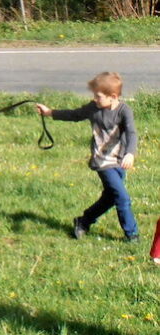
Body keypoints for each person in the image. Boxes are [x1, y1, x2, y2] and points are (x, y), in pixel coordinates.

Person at [36, 72, 139, 242]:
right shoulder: (93, 108)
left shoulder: (124, 111)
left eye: (98, 96)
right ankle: (132, 234)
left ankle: (83, 221)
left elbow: (132, 133)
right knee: (122, 197)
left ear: (113, 96)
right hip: (102, 162)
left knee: (111, 197)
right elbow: (74, 115)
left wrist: (130, 153)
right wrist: (50, 112)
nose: (95, 99)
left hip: (120, 161)